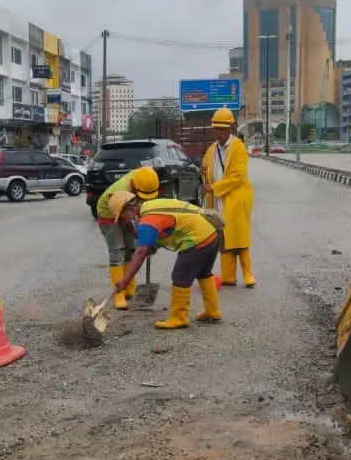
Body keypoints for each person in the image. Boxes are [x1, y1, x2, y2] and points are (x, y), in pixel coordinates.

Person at [109, 190, 222, 329]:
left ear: (129, 208)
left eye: (121, 216)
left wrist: (125, 281)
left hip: (198, 240)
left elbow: (141, 251)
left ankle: (179, 318)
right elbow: (147, 240)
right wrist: (131, 230)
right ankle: (212, 311)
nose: (122, 220)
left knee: (180, 276)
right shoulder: (150, 207)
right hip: (211, 235)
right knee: (204, 273)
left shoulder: (147, 221)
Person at [200, 107, 255, 288]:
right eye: (217, 128)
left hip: (236, 198)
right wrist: (203, 174)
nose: (219, 132)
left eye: (223, 128)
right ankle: (228, 276)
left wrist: (214, 187)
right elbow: (207, 170)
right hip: (217, 199)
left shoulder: (238, 147)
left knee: (239, 236)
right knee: (222, 237)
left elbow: (237, 177)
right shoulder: (211, 150)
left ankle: (248, 274)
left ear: (230, 128)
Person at [95, 165, 160, 310]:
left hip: (125, 209)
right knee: (118, 251)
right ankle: (119, 294)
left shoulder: (144, 176)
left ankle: (130, 287)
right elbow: (126, 221)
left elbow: (139, 212)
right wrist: (140, 236)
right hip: (109, 214)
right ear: (134, 187)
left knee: (131, 249)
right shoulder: (119, 193)